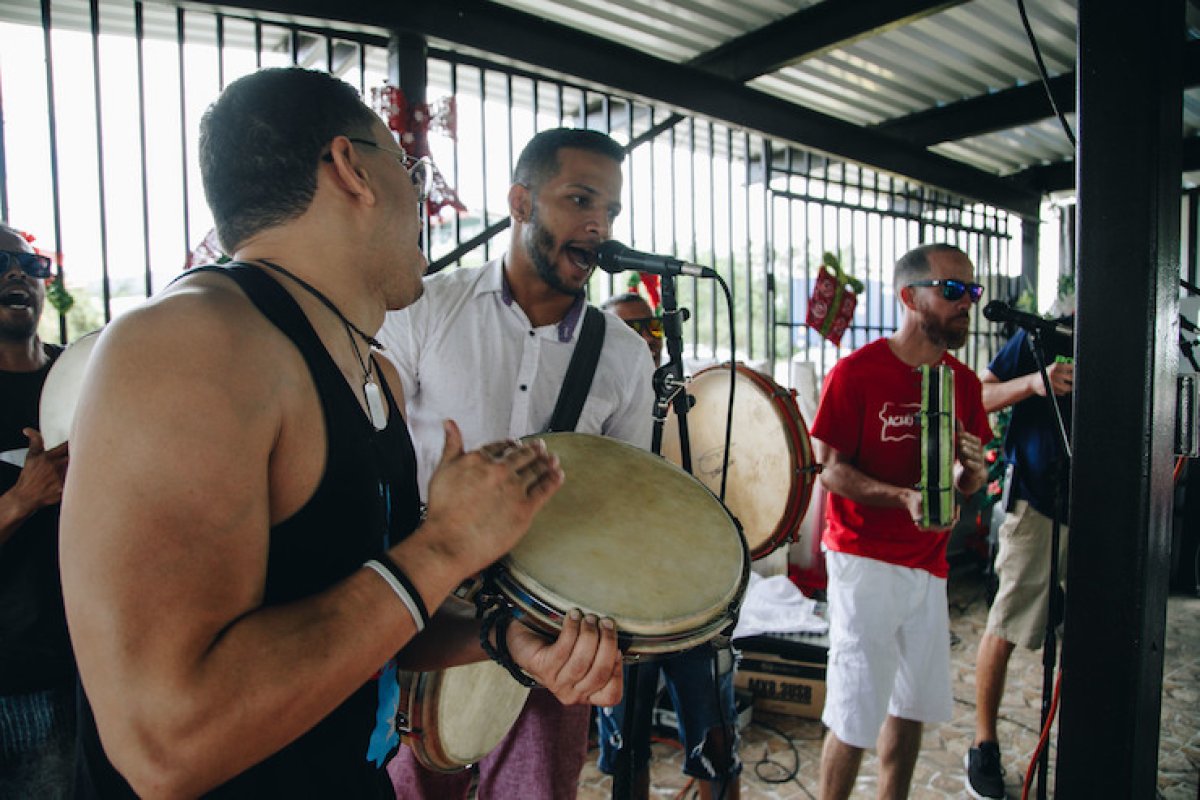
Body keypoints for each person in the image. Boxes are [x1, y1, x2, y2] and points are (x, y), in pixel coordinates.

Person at [58, 67, 622, 799]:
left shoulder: (372, 370)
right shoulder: (191, 344)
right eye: (407, 166)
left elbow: (358, 615)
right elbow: (168, 742)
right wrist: (447, 545)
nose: (422, 195)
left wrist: (503, 642)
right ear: (353, 169)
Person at [379, 127, 655, 799]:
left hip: (553, 627)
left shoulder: (624, 355)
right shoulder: (422, 311)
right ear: (522, 203)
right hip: (430, 618)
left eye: (611, 211)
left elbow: (624, 503)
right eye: (580, 199)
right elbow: (367, 448)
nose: (597, 224)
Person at [810, 243, 991, 800]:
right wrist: (900, 498)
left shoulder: (963, 383)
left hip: (928, 564)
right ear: (909, 297)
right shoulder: (856, 372)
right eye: (953, 290)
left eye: (973, 291)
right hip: (863, 558)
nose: (967, 304)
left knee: (910, 706)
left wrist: (974, 473)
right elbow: (829, 471)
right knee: (855, 709)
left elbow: (967, 482)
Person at [594, 291, 741, 799]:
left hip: (695, 598)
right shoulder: (598, 409)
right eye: (628, 330)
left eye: (652, 330)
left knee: (716, 740)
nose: (643, 341)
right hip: (623, 603)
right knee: (625, 747)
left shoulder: (692, 407)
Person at [964, 303, 1074, 799]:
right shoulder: (1041, 338)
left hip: (1101, 510)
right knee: (1006, 624)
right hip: (1037, 503)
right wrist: (1036, 382)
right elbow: (977, 397)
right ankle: (984, 744)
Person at [0, 224, 74, 798]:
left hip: (74, 671)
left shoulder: (84, 377)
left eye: (32, 265)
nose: (18, 272)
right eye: (1, 262)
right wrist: (23, 500)